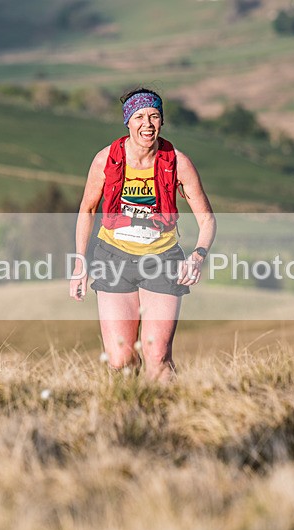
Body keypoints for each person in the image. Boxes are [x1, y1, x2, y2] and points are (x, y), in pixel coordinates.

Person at [69, 87, 216, 382]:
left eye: (154, 116)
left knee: (157, 354)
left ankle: (169, 417)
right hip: (114, 259)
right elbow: (87, 210)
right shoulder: (105, 160)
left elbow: (207, 220)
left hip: (162, 260)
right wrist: (80, 265)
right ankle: (132, 417)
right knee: (121, 358)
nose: (147, 124)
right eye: (139, 117)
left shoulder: (177, 162)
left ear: (162, 121)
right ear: (128, 121)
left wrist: (198, 255)